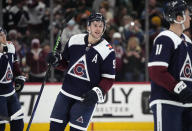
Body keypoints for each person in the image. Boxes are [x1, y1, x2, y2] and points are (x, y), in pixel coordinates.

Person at [47, 13, 116, 131]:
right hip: (65, 94)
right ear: (88, 27)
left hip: (85, 99)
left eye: (101, 26)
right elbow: (66, 64)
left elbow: (108, 79)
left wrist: (98, 91)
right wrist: (56, 61)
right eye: (95, 25)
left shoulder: (108, 51)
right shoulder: (74, 40)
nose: (98, 29)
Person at [148, 0, 192, 131]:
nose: (190, 17)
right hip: (168, 101)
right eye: (188, 14)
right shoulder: (165, 38)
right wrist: (179, 88)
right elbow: (156, 71)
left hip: (188, 104)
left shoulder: (187, 42)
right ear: (179, 18)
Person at [0, 27, 26, 131]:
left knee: (18, 124)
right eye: (0, 35)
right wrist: (3, 53)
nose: (3, 37)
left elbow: (14, 64)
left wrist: (19, 77)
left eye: (3, 34)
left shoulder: (10, 46)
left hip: (11, 94)